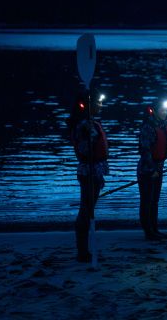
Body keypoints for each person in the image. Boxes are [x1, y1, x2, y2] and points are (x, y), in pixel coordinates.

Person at [67, 91, 109, 263]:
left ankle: (84, 251)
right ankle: (82, 252)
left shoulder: (90, 123)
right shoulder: (84, 125)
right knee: (86, 211)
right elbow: (85, 150)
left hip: (94, 172)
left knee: (88, 210)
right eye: (98, 103)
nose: (101, 106)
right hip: (88, 173)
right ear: (88, 106)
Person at [137, 100, 167, 240]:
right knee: (147, 200)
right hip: (147, 169)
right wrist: (151, 169)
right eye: (162, 110)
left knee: (154, 201)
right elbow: (145, 150)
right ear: (154, 111)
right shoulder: (148, 127)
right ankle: (148, 232)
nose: (165, 113)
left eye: (166, 111)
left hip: (159, 168)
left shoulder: (164, 126)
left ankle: (155, 229)